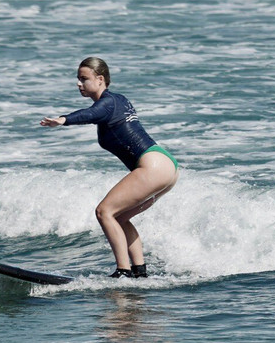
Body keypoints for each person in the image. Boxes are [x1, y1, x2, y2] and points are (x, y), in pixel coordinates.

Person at [40, 58, 179, 279]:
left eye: (84, 79)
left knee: (104, 212)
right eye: (78, 79)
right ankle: (139, 271)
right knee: (120, 217)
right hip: (166, 166)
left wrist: (63, 120)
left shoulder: (107, 103)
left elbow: (91, 114)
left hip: (152, 165)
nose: (79, 84)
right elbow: (98, 114)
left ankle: (122, 271)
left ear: (100, 79)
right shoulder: (118, 100)